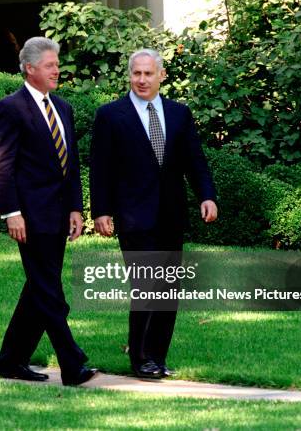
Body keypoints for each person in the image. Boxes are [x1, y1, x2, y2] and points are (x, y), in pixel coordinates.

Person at [90, 48, 218, 379]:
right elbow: (100, 169)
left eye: (148, 73)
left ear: (162, 75)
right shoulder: (111, 115)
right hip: (133, 217)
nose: (142, 79)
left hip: (172, 215)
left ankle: (158, 357)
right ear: (129, 76)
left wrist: (207, 196)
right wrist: (101, 211)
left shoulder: (179, 114)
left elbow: (196, 161)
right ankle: (140, 358)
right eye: (136, 73)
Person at [0, 36, 98, 386]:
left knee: (39, 289)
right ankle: (71, 362)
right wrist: (12, 213)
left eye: (57, 64)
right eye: (51, 65)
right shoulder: (10, 108)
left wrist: (75, 208)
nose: (57, 71)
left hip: (57, 216)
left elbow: (70, 163)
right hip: (29, 217)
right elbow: (1, 166)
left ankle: (11, 361)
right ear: (30, 68)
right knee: (49, 292)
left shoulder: (63, 108)